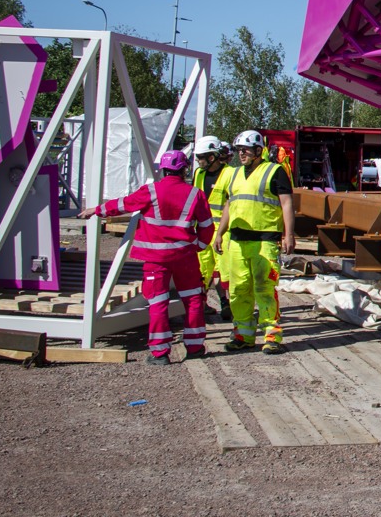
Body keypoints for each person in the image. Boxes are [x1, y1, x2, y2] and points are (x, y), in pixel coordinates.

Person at [77, 150, 213, 364]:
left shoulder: (150, 191)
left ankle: (160, 354)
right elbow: (206, 227)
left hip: (156, 259)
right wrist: (199, 246)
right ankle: (195, 347)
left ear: (163, 169)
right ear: (184, 169)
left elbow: (123, 204)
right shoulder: (195, 193)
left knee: (159, 302)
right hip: (185, 257)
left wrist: (97, 210)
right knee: (193, 299)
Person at [214, 129, 295, 354]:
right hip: (238, 240)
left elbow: (287, 203)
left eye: (246, 150)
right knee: (239, 290)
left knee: (264, 289)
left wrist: (288, 234)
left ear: (259, 151)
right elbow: (230, 204)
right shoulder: (235, 174)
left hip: (264, 240)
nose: (242, 154)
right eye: (239, 150)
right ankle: (243, 335)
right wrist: (220, 232)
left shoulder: (274, 171)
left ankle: (272, 336)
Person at [191, 135, 235, 321]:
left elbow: (231, 204)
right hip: (202, 230)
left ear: (212, 157)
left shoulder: (230, 174)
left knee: (224, 270)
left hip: (222, 232)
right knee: (201, 270)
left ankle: (228, 304)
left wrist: (221, 232)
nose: (198, 161)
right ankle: (200, 304)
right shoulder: (199, 174)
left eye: (201, 157)